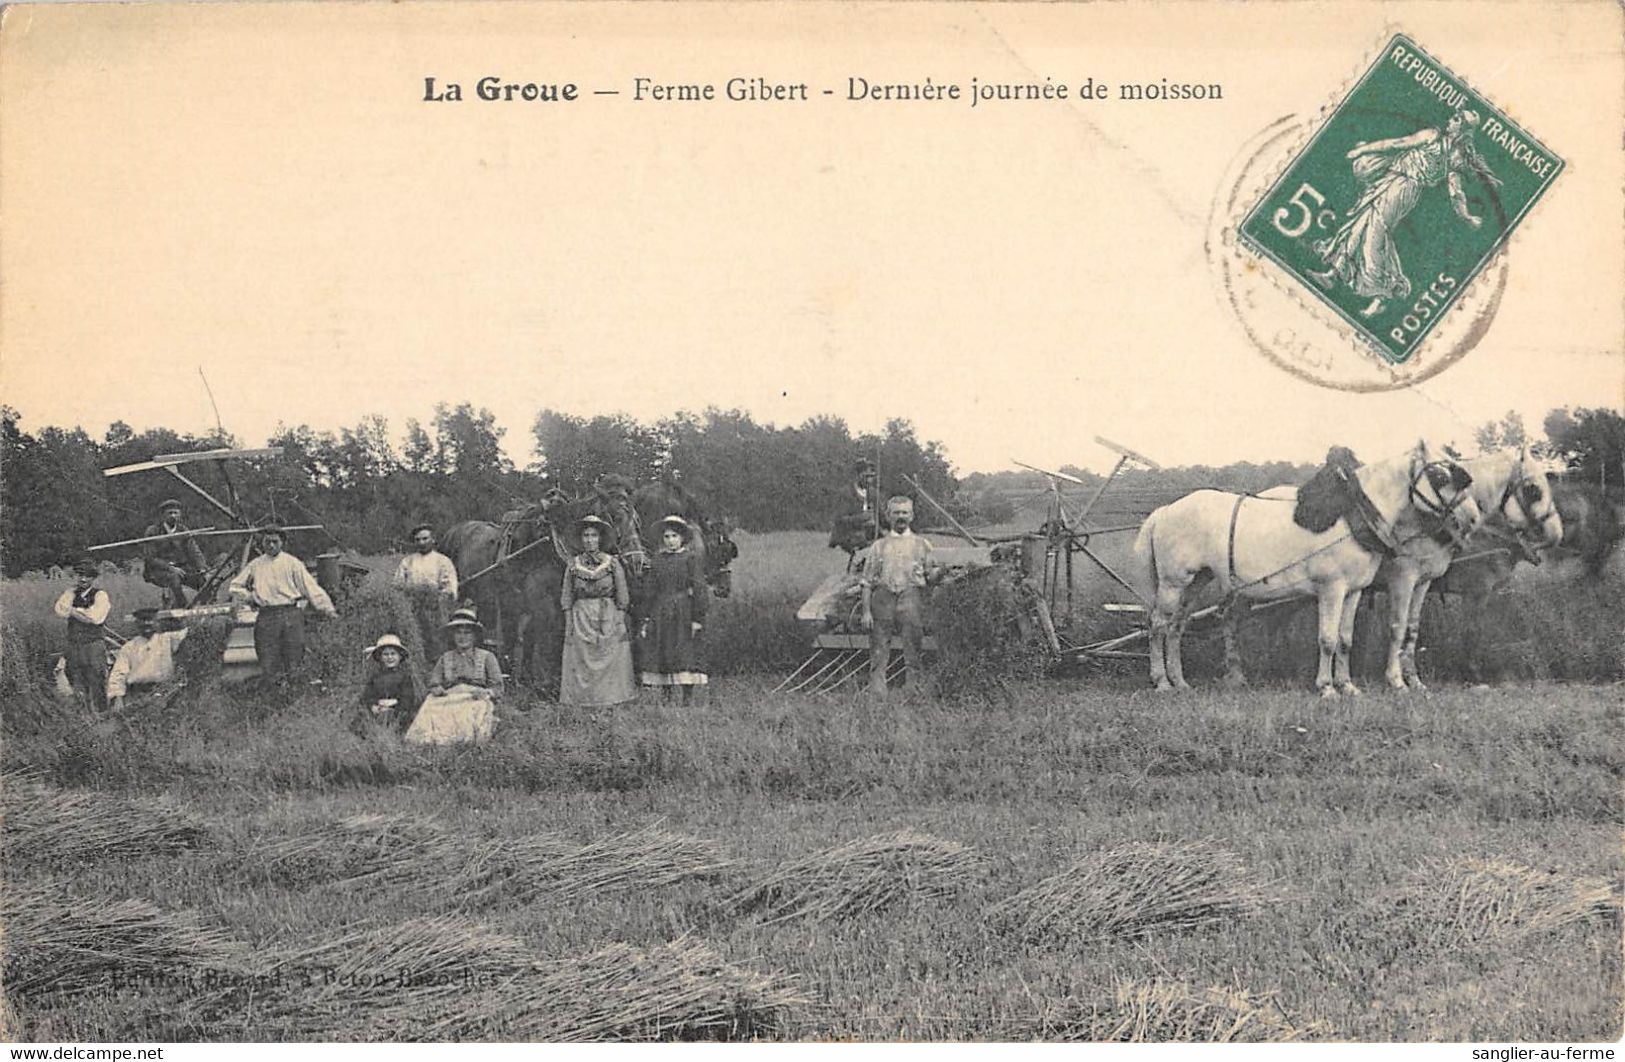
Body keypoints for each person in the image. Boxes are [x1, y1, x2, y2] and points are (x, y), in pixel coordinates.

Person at [1309, 108, 1501, 318]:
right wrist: (1363, 152)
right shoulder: (1437, 139)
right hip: (1393, 180)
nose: (1450, 120)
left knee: (1374, 232)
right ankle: (1334, 273)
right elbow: (1397, 143)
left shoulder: (1448, 150)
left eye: (1456, 119)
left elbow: (1455, 191)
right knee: (1361, 222)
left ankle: (1382, 290)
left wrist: (1466, 216)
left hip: (1404, 189)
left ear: (1462, 127)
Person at [227, 525, 337, 685]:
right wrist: (250, 597)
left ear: (282, 543)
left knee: (294, 658)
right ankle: (272, 697)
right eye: (267, 542)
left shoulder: (293, 563)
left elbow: (311, 589)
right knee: (268, 659)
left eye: (274, 541)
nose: (270, 545)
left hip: (291, 615)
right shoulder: (255, 565)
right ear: (262, 543)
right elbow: (235, 587)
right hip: (267, 616)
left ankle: (294, 697)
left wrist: (328, 610)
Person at [861, 496, 940, 697]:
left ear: (912, 516)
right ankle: (878, 691)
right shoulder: (878, 546)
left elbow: (931, 576)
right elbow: (867, 581)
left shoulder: (923, 545)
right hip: (883, 597)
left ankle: (912, 689)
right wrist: (866, 612)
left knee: (913, 644)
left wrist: (938, 573)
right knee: (879, 646)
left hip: (911, 596)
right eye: (896, 513)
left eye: (905, 512)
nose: (901, 517)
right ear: (888, 516)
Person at [559, 514, 635, 707]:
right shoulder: (573, 565)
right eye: (586, 536)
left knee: (608, 653)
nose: (590, 540)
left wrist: (619, 619)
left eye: (593, 535)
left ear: (600, 538)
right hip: (581, 615)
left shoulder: (612, 563)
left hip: (607, 614)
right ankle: (582, 700)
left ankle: (610, 699)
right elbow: (567, 596)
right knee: (582, 658)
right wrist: (569, 624)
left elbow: (622, 594)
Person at [636, 516, 708, 704]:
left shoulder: (690, 559)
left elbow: (699, 588)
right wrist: (646, 616)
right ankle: (666, 695)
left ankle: (686, 697)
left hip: (683, 609)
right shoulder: (658, 560)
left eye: (674, 536)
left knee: (684, 651)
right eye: (666, 536)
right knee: (664, 650)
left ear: (682, 538)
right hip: (661, 610)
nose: (670, 540)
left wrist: (697, 618)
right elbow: (650, 590)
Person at [53, 557, 111, 711]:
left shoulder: (100, 595)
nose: (83, 579)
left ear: (93, 578)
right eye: (79, 575)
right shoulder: (70, 593)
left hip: (93, 645)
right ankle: (84, 716)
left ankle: (102, 715)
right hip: (74, 645)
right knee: (75, 678)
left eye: (87, 576)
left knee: (97, 680)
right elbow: (59, 610)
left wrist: (72, 610)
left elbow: (95, 618)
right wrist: (80, 612)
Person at [107, 607, 190, 711]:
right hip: (137, 695)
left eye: (150, 620)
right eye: (142, 620)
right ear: (137, 623)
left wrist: (178, 618)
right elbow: (118, 674)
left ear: (156, 621)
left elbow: (188, 630)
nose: (146, 624)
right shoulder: (129, 647)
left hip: (164, 692)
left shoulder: (168, 639)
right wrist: (117, 698)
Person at [393, 523, 458, 655]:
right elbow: (397, 585)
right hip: (412, 608)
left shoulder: (443, 561)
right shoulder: (407, 561)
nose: (421, 543)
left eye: (425, 539)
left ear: (433, 540)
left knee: (436, 642)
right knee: (413, 639)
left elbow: (450, 588)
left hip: (435, 610)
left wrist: (438, 600)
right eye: (418, 540)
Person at [141, 498, 208, 608]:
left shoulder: (183, 530)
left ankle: (207, 609)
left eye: (175, 513)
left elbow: (194, 551)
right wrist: (170, 568)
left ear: (180, 514)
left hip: (182, 568)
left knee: (205, 580)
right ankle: (184, 607)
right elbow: (150, 558)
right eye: (169, 513)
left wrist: (202, 568)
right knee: (174, 578)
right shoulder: (153, 531)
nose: (173, 516)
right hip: (159, 570)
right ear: (163, 515)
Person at [353, 632, 424, 734]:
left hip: (396, 711)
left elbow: (408, 698)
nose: (389, 657)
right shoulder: (375, 677)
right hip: (378, 710)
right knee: (361, 719)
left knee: (401, 719)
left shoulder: (404, 677)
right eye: (385, 654)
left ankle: (393, 733)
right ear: (380, 657)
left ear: (399, 657)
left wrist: (394, 704)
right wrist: (373, 706)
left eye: (393, 654)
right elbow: (367, 695)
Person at [426, 609, 504, 699]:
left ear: (474, 636)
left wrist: (487, 692)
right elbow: (434, 684)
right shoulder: (445, 658)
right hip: (450, 701)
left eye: (467, 633)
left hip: (477, 702)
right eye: (458, 633)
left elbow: (498, 688)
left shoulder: (487, 657)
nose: (462, 637)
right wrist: (437, 689)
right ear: (453, 636)